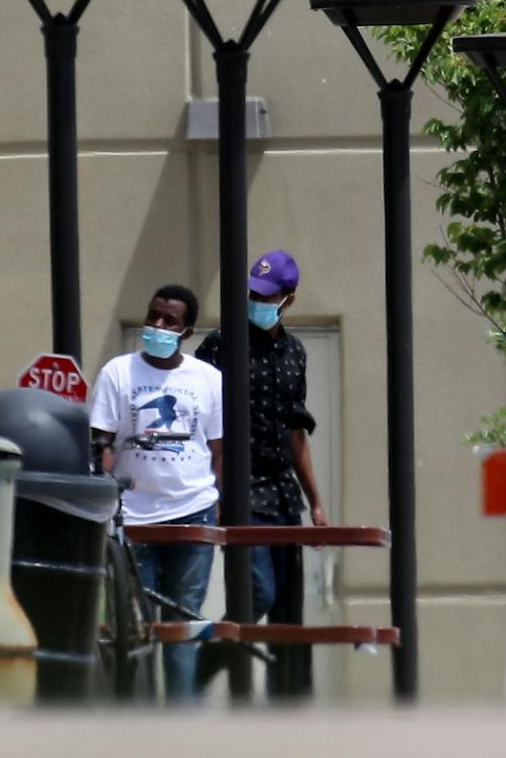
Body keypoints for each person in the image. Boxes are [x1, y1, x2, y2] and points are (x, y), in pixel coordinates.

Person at [193, 249, 326, 695]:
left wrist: (316, 501)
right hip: (239, 489)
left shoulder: (295, 353)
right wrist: (211, 488)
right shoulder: (220, 344)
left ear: (288, 299)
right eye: (252, 292)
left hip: (283, 494)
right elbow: (199, 419)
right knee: (257, 595)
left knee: (289, 611)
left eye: (266, 295)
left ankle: (289, 706)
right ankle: (205, 661)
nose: (256, 300)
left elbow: (296, 433)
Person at [88, 284, 222, 702]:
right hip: (133, 518)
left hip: (193, 514)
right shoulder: (118, 372)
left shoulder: (207, 378)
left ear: (187, 330)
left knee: (182, 623)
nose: (158, 326)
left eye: (169, 321)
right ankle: (139, 727)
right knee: (133, 627)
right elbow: (100, 444)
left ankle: (181, 728)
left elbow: (219, 449)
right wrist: (110, 497)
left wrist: (216, 499)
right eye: (153, 316)